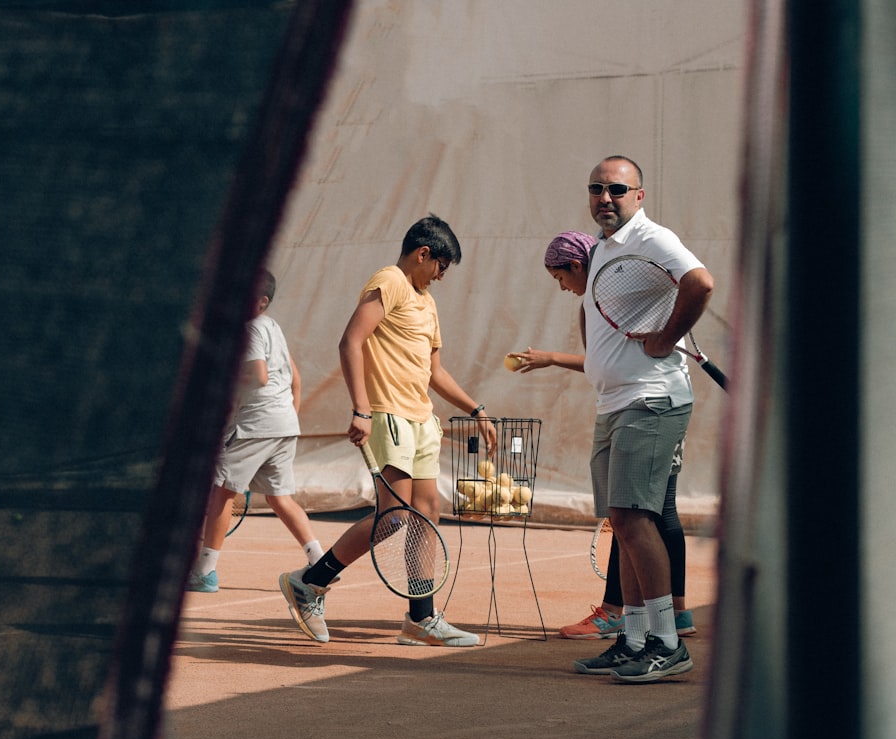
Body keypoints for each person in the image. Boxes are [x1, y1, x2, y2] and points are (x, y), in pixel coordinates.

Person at [278, 214, 497, 645]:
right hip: (389, 416)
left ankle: (420, 620)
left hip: (421, 420)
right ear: (423, 254)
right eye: (441, 267)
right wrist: (361, 408)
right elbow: (351, 341)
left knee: (426, 514)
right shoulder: (390, 281)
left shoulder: (427, 302)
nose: (441, 276)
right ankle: (309, 583)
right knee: (395, 516)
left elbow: (434, 371)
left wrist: (477, 410)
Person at [507, 231, 697, 641]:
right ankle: (669, 616)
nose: (561, 287)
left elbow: (608, 358)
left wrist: (552, 358)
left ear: (576, 266)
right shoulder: (602, 299)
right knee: (655, 511)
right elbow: (603, 364)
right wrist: (553, 359)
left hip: (651, 407)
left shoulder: (617, 293)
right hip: (642, 405)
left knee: (630, 515)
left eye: (560, 278)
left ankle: (630, 618)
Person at [566, 156, 713, 682]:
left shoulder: (653, 239)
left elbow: (699, 282)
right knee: (622, 524)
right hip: (614, 404)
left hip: (651, 400)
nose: (605, 197)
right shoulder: (604, 247)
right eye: (597, 188)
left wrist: (666, 338)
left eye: (617, 189)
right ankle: (631, 639)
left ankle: (667, 642)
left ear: (639, 195)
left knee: (635, 519)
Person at [187, 270, 326, 593]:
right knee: (280, 498)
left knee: (222, 491)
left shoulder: (249, 330)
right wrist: (289, 414)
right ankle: (320, 562)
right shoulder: (273, 328)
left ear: (261, 301)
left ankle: (205, 572)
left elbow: (258, 377)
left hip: (256, 424)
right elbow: (296, 378)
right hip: (283, 424)